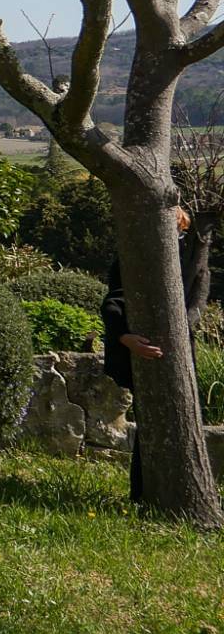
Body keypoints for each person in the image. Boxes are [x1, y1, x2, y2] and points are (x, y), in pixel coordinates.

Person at [101, 206, 213, 502]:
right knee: (152, 425)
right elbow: (112, 303)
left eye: (181, 232)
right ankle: (142, 495)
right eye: (176, 230)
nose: (179, 237)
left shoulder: (190, 263)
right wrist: (124, 338)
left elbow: (196, 305)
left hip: (178, 354)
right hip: (146, 354)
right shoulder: (135, 258)